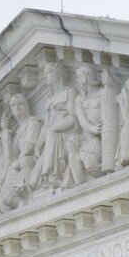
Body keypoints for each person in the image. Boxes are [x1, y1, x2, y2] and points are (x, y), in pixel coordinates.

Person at [32, 62, 84, 191]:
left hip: (68, 134)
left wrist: (56, 127)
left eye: (50, 73)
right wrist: (38, 145)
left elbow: (73, 118)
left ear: (58, 74)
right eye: (46, 74)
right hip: (52, 137)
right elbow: (46, 126)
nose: (47, 77)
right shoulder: (49, 99)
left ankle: (53, 176)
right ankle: (49, 177)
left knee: (52, 134)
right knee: (51, 135)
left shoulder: (70, 91)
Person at [0, 93, 43, 209]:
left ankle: (25, 197)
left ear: (27, 106)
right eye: (13, 105)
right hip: (21, 166)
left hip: (33, 162)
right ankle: (22, 204)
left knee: (21, 165)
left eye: (20, 104)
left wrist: (16, 163)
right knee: (5, 195)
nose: (17, 107)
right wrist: (6, 132)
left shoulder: (33, 122)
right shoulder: (18, 132)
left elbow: (30, 146)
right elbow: (9, 159)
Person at [73, 66, 103, 176]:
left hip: (103, 136)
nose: (77, 80)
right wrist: (93, 128)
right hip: (89, 138)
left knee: (92, 163)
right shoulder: (79, 99)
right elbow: (82, 120)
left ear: (86, 77)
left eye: (79, 77)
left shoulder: (103, 93)